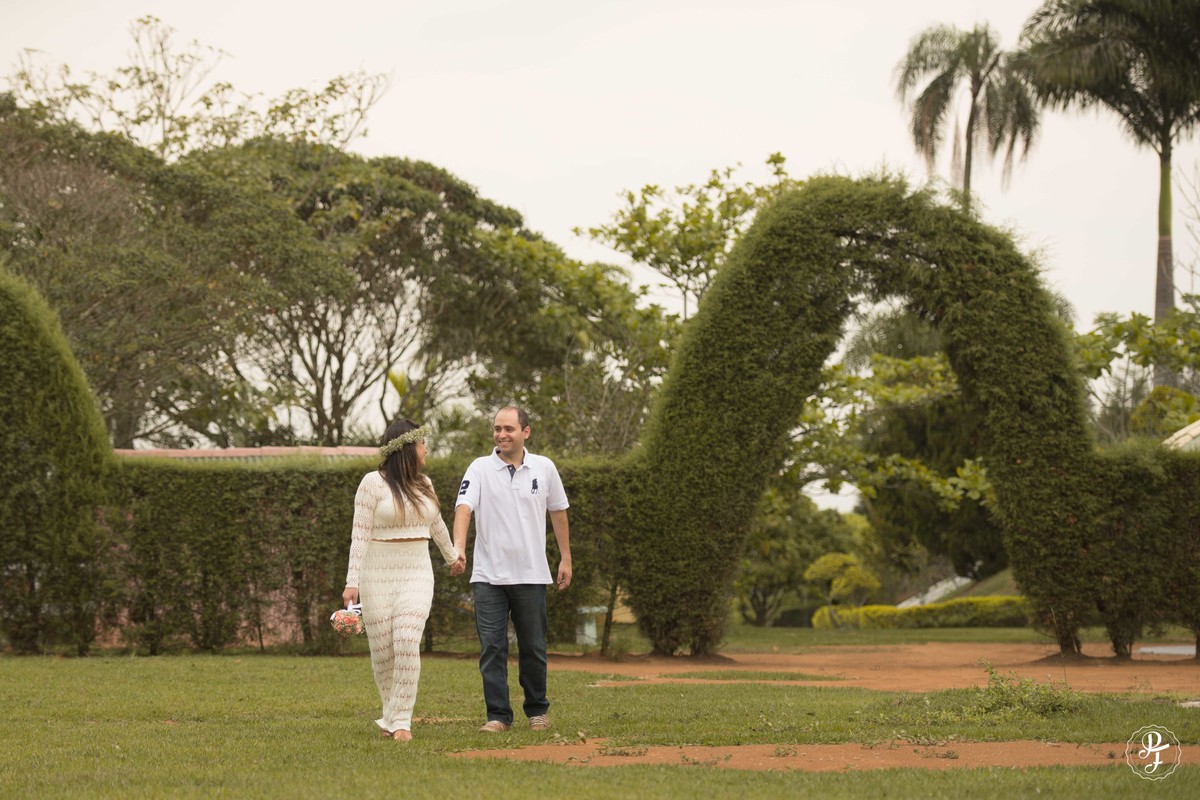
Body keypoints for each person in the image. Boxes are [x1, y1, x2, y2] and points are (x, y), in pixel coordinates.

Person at [343, 418, 465, 741]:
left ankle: (401, 723)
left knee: (407, 640)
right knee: (383, 650)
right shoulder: (371, 484)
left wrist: (453, 557)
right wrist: (351, 582)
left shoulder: (425, 484)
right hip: (376, 573)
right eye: (422, 444)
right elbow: (359, 535)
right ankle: (390, 714)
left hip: (416, 571)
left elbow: (436, 523)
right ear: (407, 448)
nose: (426, 451)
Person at [453, 406, 571, 732]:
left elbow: (558, 512)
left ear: (526, 432)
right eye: (497, 429)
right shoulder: (478, 468)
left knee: (533, 647)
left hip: (532, 575)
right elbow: (464, 507)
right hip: (488, 577)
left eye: (509, 429)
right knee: (492, 647)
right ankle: (497, 716)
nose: (502, 435)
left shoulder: (544, 468)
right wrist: (459, 548)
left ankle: (537, 712)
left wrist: (566, 558)